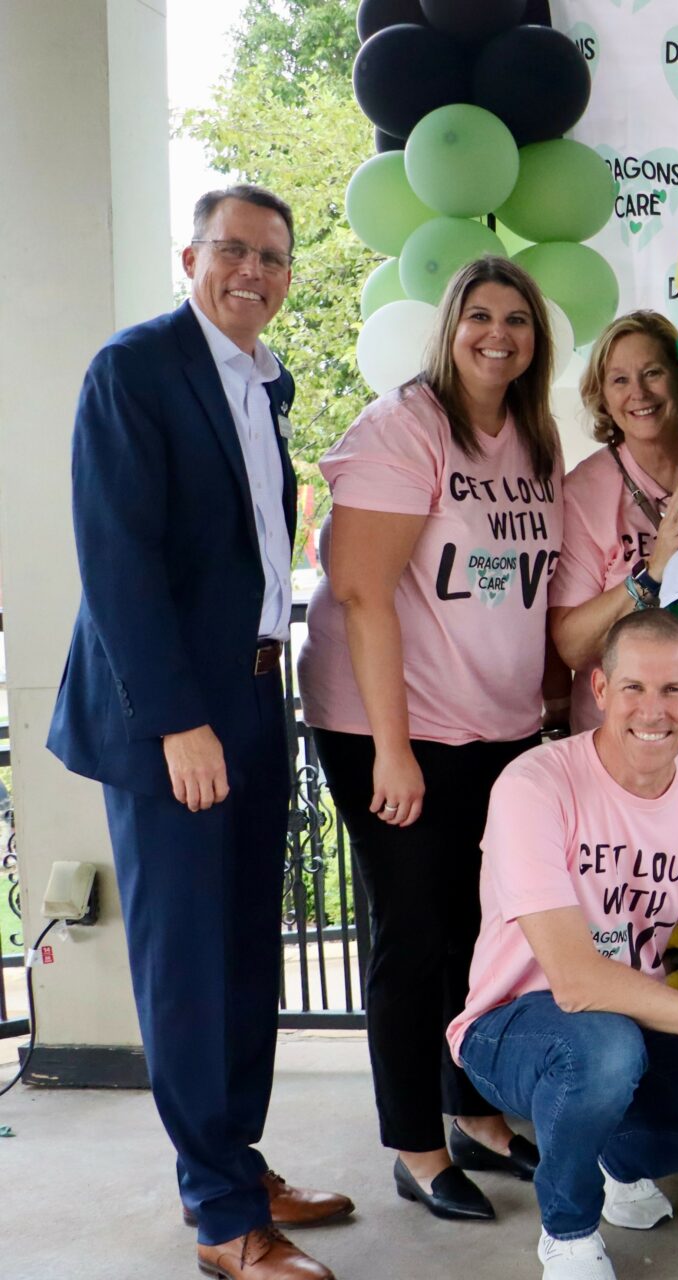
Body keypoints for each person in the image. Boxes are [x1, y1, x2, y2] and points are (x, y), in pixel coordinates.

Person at [47, 184, 352, 1280]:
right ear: (191, 258)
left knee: (244, 952)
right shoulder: (133, 369)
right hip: (171, 715)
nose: (253, 272)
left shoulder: (267, 381)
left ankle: (237, 1161)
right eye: (233, 250)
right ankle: (222, 1219)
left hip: (255, 698)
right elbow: (117, 561)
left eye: (273, 257)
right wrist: (180, 721)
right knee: (187, 965)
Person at [297, 256, 564, 1221]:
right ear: (449, 327)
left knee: (478, 931)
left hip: (497, 727)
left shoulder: (531, 437)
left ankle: (475, 1114)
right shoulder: (401, 429)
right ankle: (415, 1144)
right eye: (479, 316)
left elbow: (527, 592)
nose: (499, 334)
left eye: (518, 320)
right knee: (415, 934)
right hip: (391, 726)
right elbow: (363, 594)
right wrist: (394, 749)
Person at [449, 609, 678, 1280]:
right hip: (510, 1027)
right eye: (634, 687)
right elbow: (576, 982)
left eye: (673, 690)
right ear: (601, 689)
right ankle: (568, 1230)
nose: (653, 709)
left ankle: (617, 1159)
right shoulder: (535, 784)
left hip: (630, 1027)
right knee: (604, 1046)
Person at [550, 311, 678, 733]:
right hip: (624, 735)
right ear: (602, 396)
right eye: (619, 380)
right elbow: (572, 646)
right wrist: (652, 571)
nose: (638, 393)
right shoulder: (584, 491)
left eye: (653, 373)